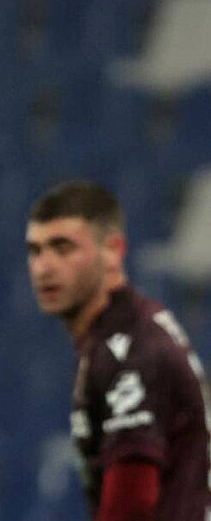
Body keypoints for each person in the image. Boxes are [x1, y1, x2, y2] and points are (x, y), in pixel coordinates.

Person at [26, 181, 211, 520]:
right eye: (36, 250)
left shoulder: (130, 351)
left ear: (112, 251)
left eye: (63, 248)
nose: (44, 267)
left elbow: (133, 501)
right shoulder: (126, 331)